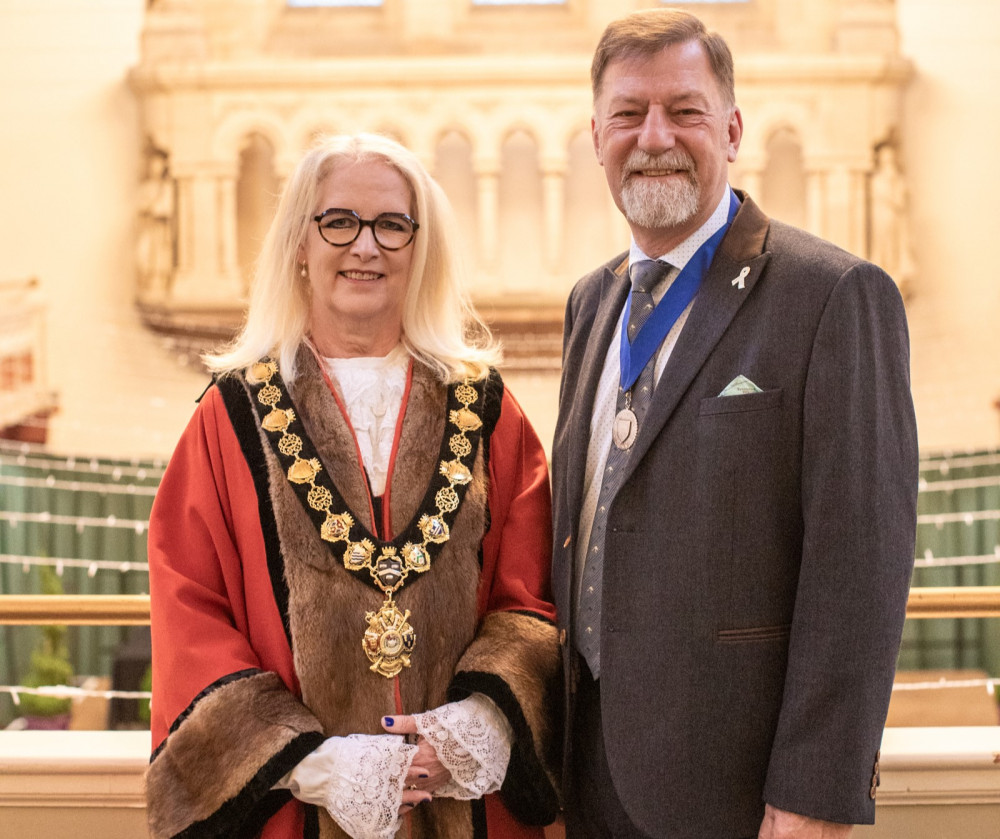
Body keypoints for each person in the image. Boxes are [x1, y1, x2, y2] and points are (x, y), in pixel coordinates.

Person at [550, 9, 918, 839]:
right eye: (628, 114)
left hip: (741, 793)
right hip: (591, 779)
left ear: (732, 127)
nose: (655, 137)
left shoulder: (829, 296)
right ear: (596, 135)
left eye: (683, 110)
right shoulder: (592, 302)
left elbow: (860, 565)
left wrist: (816, 794)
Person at [145, 133, 560, 839]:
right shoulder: (230, 417)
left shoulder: (486, 409)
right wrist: (318, 763)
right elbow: (190, 611)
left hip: (461, 807)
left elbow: (532, 596)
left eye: (392, 225)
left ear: (419, 246)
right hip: (294, 807)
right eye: (339, 221)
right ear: (300, 243)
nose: (366, 246)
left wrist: (476, 722)